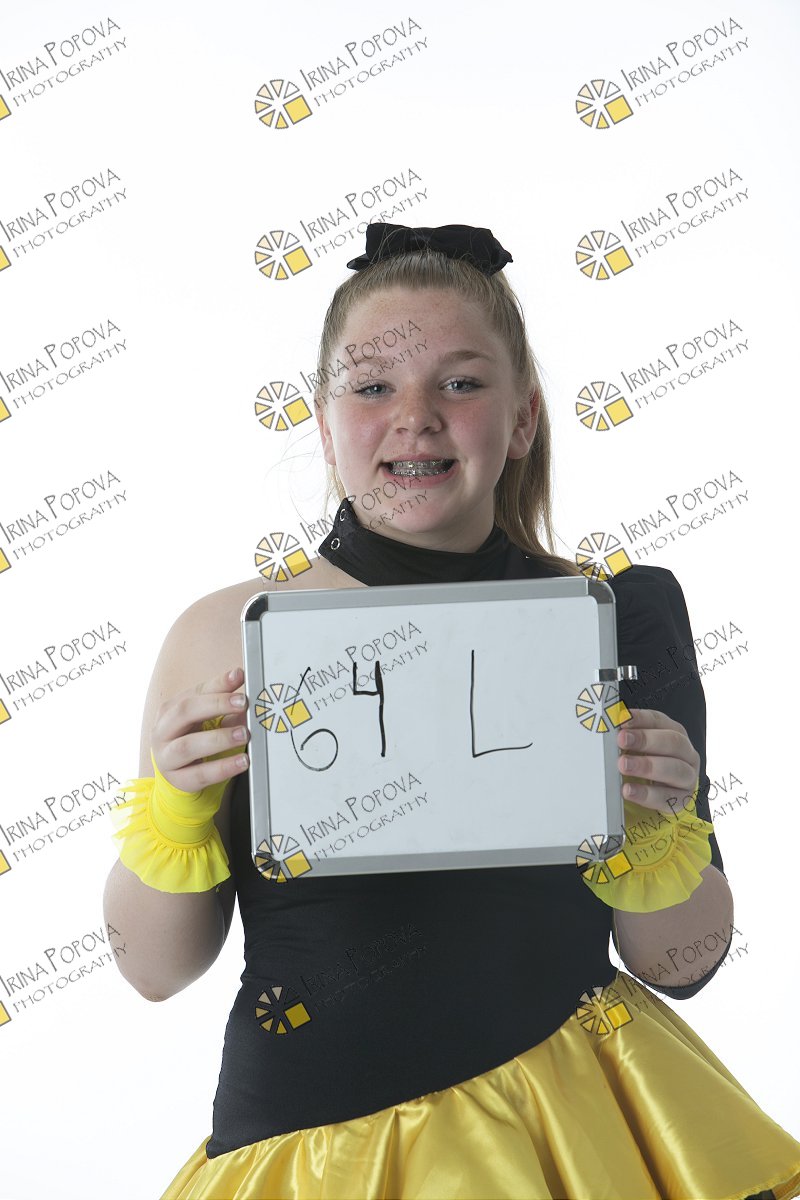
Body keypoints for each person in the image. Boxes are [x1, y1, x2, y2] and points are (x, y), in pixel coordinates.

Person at [103, 224, 800, 1200]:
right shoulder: (226, 635)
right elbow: (153, 970)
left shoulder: (617, 618)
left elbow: (682, 962)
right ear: (323, 423)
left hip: (571, 1128)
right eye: (371, 387)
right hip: (309, 1147)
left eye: (461, 383)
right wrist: (175, 816)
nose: (415, 419)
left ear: (521, 419)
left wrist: (655, 826)